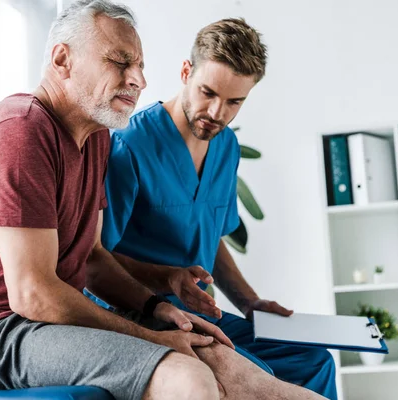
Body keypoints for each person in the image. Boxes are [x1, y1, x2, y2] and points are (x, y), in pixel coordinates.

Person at [0, 1, 326, 399]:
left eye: (140, 66)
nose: (138, 80)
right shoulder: (21, 132)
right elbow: (33, 293)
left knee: (230, 363)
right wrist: (152, 335)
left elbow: (93, 257)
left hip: (44, 322)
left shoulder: (95, 137)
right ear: (62, 59)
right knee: (190, 377)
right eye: (120, 62)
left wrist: (154, 306)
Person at [98, 17, 338, 399]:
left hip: (203, 314)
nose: (217, 111)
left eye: (234, 102)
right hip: (142, 312)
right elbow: (96, 256)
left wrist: (250, 302)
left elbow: (210, 235)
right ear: (185, 72)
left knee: (313, 361)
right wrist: (166, 279)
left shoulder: (225, 148)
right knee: (257, 373)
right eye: (207, 92)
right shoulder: (131, 147)